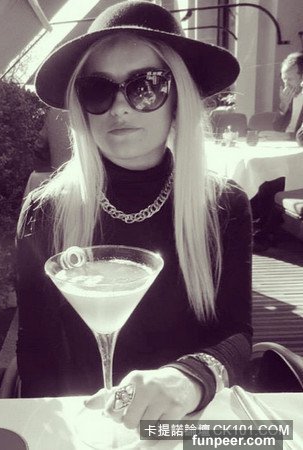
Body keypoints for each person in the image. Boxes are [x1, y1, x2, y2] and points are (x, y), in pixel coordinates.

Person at [15, 0, 252, 427]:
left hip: (190, 425)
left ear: (178, 99)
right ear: (81, 106)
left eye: (146, 86)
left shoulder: (224, 206)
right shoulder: (45, 211)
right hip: (85, 426)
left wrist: (189, 378)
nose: (119, 108)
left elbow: (237, 335)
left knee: (272, 440)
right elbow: (36, 350)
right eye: (98, 89)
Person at [273, 52, 303, 145]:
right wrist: (283, 106)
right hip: (283, 144)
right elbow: (277, 128)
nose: (286, 85)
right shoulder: (288, 97)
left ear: (301, 78)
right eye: (284, 79)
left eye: (289, 79)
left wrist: (286, 136)